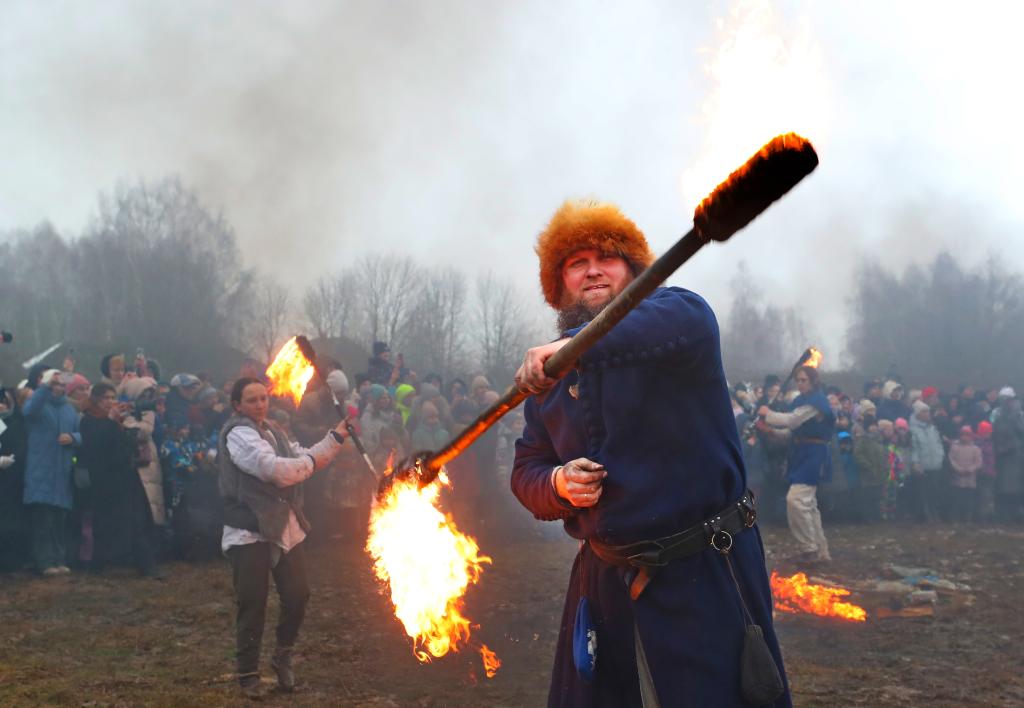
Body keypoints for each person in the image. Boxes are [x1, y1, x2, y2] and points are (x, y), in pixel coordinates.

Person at [511, 200, 788, 707]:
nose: (593, 269)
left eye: (607, 257)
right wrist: (557, 484)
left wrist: (572, 345)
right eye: (576, 263)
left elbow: (677, 318)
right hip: (603, 581)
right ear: (560, 283)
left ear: (634, 269)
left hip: (702, 569)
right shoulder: (553, 376)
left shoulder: (679, 325)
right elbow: (527, 468)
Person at [218, 377, 351, 697]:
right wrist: (305, 463)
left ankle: (282, 655)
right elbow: (276, 471)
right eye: (251, 400)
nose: (260, 404)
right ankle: (248, 674)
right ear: (237, 405)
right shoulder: (238, 434)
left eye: (263, 398)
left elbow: (303, 456)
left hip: (283, 526)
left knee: (298, 595)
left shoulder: (273, 430)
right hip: (249, 529)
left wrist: (337, 437)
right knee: (253, 602)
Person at [80, 383, 159, 576]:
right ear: (97, 400)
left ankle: (147, 566)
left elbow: (123, 443)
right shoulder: (88, 420)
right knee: (103, 523)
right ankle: (97, 565)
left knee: (135, 521)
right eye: (106, 398)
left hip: (125, 475)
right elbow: (96, 441)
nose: (110, 402)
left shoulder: (115, 421)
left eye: (112, 397)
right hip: (104, 479)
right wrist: (111, 421)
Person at [759, 366, 835, 562]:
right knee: (809, 505)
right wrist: (769, 430)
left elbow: (792, 421)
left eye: (804, 380)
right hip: (801, 454)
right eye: (798, 380)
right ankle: (821, 550)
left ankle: (809, 547)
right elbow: (793, 433)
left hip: (814, 455)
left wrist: (768, 413)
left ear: (813, 381)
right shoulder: (800, 401)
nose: (800, 384)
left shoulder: (817, 402)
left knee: (796, 500)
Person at [22, 370, 81, 575]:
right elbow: (29, 412)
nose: (59, 388)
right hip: (41, 473)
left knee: (59, 522)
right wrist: (46, 386)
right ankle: (44, 561)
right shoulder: (38, 406)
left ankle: (59, 558)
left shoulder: (69, 410)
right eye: (55, 385)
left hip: (62, 473)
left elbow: (82, 433)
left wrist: (74, 438)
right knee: (43, 522)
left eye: (62, 385)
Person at [948, 426, 982, 523]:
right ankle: (956, 519)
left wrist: (971, 469)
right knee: (956, 501)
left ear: (971, 436)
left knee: (969, 501)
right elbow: (951, 460)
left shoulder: (975, 449)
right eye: (962, 435)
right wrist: (958, 469)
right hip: (957, 479)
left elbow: (978, 462)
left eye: (967, 435)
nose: (964, 437)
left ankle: (968, 520)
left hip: (970, 479)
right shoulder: (955, 447)